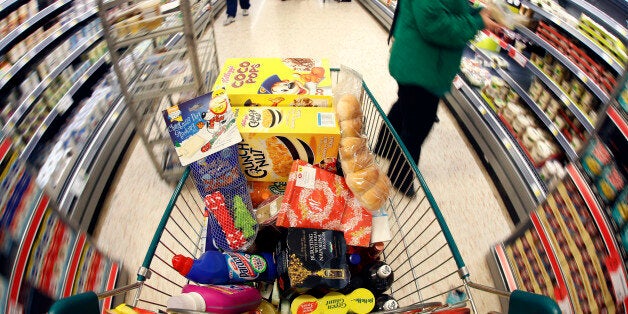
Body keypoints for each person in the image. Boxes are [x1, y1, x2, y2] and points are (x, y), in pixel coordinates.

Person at [376, 0, 503, 196]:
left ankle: (384, 147)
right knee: (418, 125)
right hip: (422, 67)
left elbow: (447, 7)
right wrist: (476, 22)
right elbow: (434, 24)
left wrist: (476, 13)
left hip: (420, 62)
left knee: (406, 106)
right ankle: (399, 177)